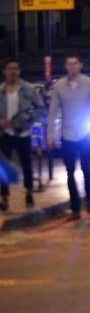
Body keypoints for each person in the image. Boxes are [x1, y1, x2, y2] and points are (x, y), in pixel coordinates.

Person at [48, 53, 90, 220]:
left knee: (86, 168)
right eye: (69, 64)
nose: (72, 67)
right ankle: (75, 208)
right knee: (69, 171)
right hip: (67, 133)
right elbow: (52, 112)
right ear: (66, 67)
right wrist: (50, 135)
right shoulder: (59, 86)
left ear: (81, 65)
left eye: (75, 63)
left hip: (86, 133)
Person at [0, 60, 43, 211]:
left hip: (23, 133)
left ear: (19, 71)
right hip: (5, 134)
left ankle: (29, 192)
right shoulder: (1, 90)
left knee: (26, 165)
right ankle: (4, 197)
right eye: (9, 68)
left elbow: (40, 107)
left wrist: (28, 120)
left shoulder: (29, 88)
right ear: (4, 71)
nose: (12, 71)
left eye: (15, 68)